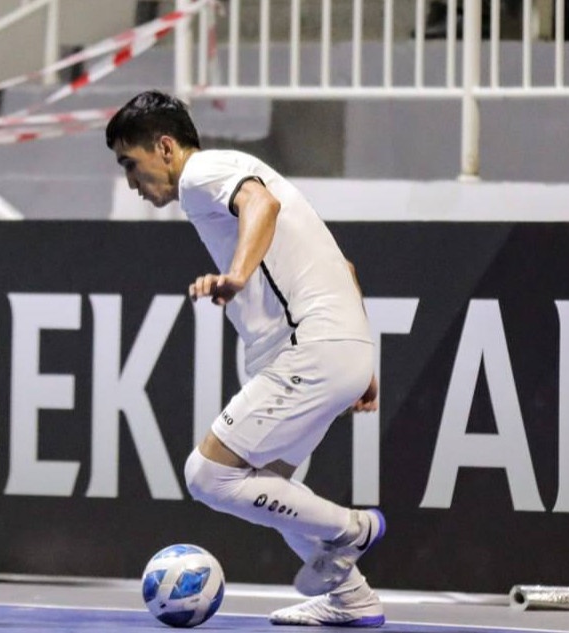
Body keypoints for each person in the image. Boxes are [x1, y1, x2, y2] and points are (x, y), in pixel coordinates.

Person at [105, 91, 384, 628]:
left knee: (208, 476)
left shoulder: (200, 173)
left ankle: (354, 529)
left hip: (309, 349)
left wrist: (236, 275)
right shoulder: (228, 174)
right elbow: (345, 267)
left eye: (129, 163)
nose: (131, 181)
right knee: (267, 486)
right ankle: (352, 597)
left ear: (164, 147)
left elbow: (261, 205)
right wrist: (362, 362)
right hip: (339, 347)